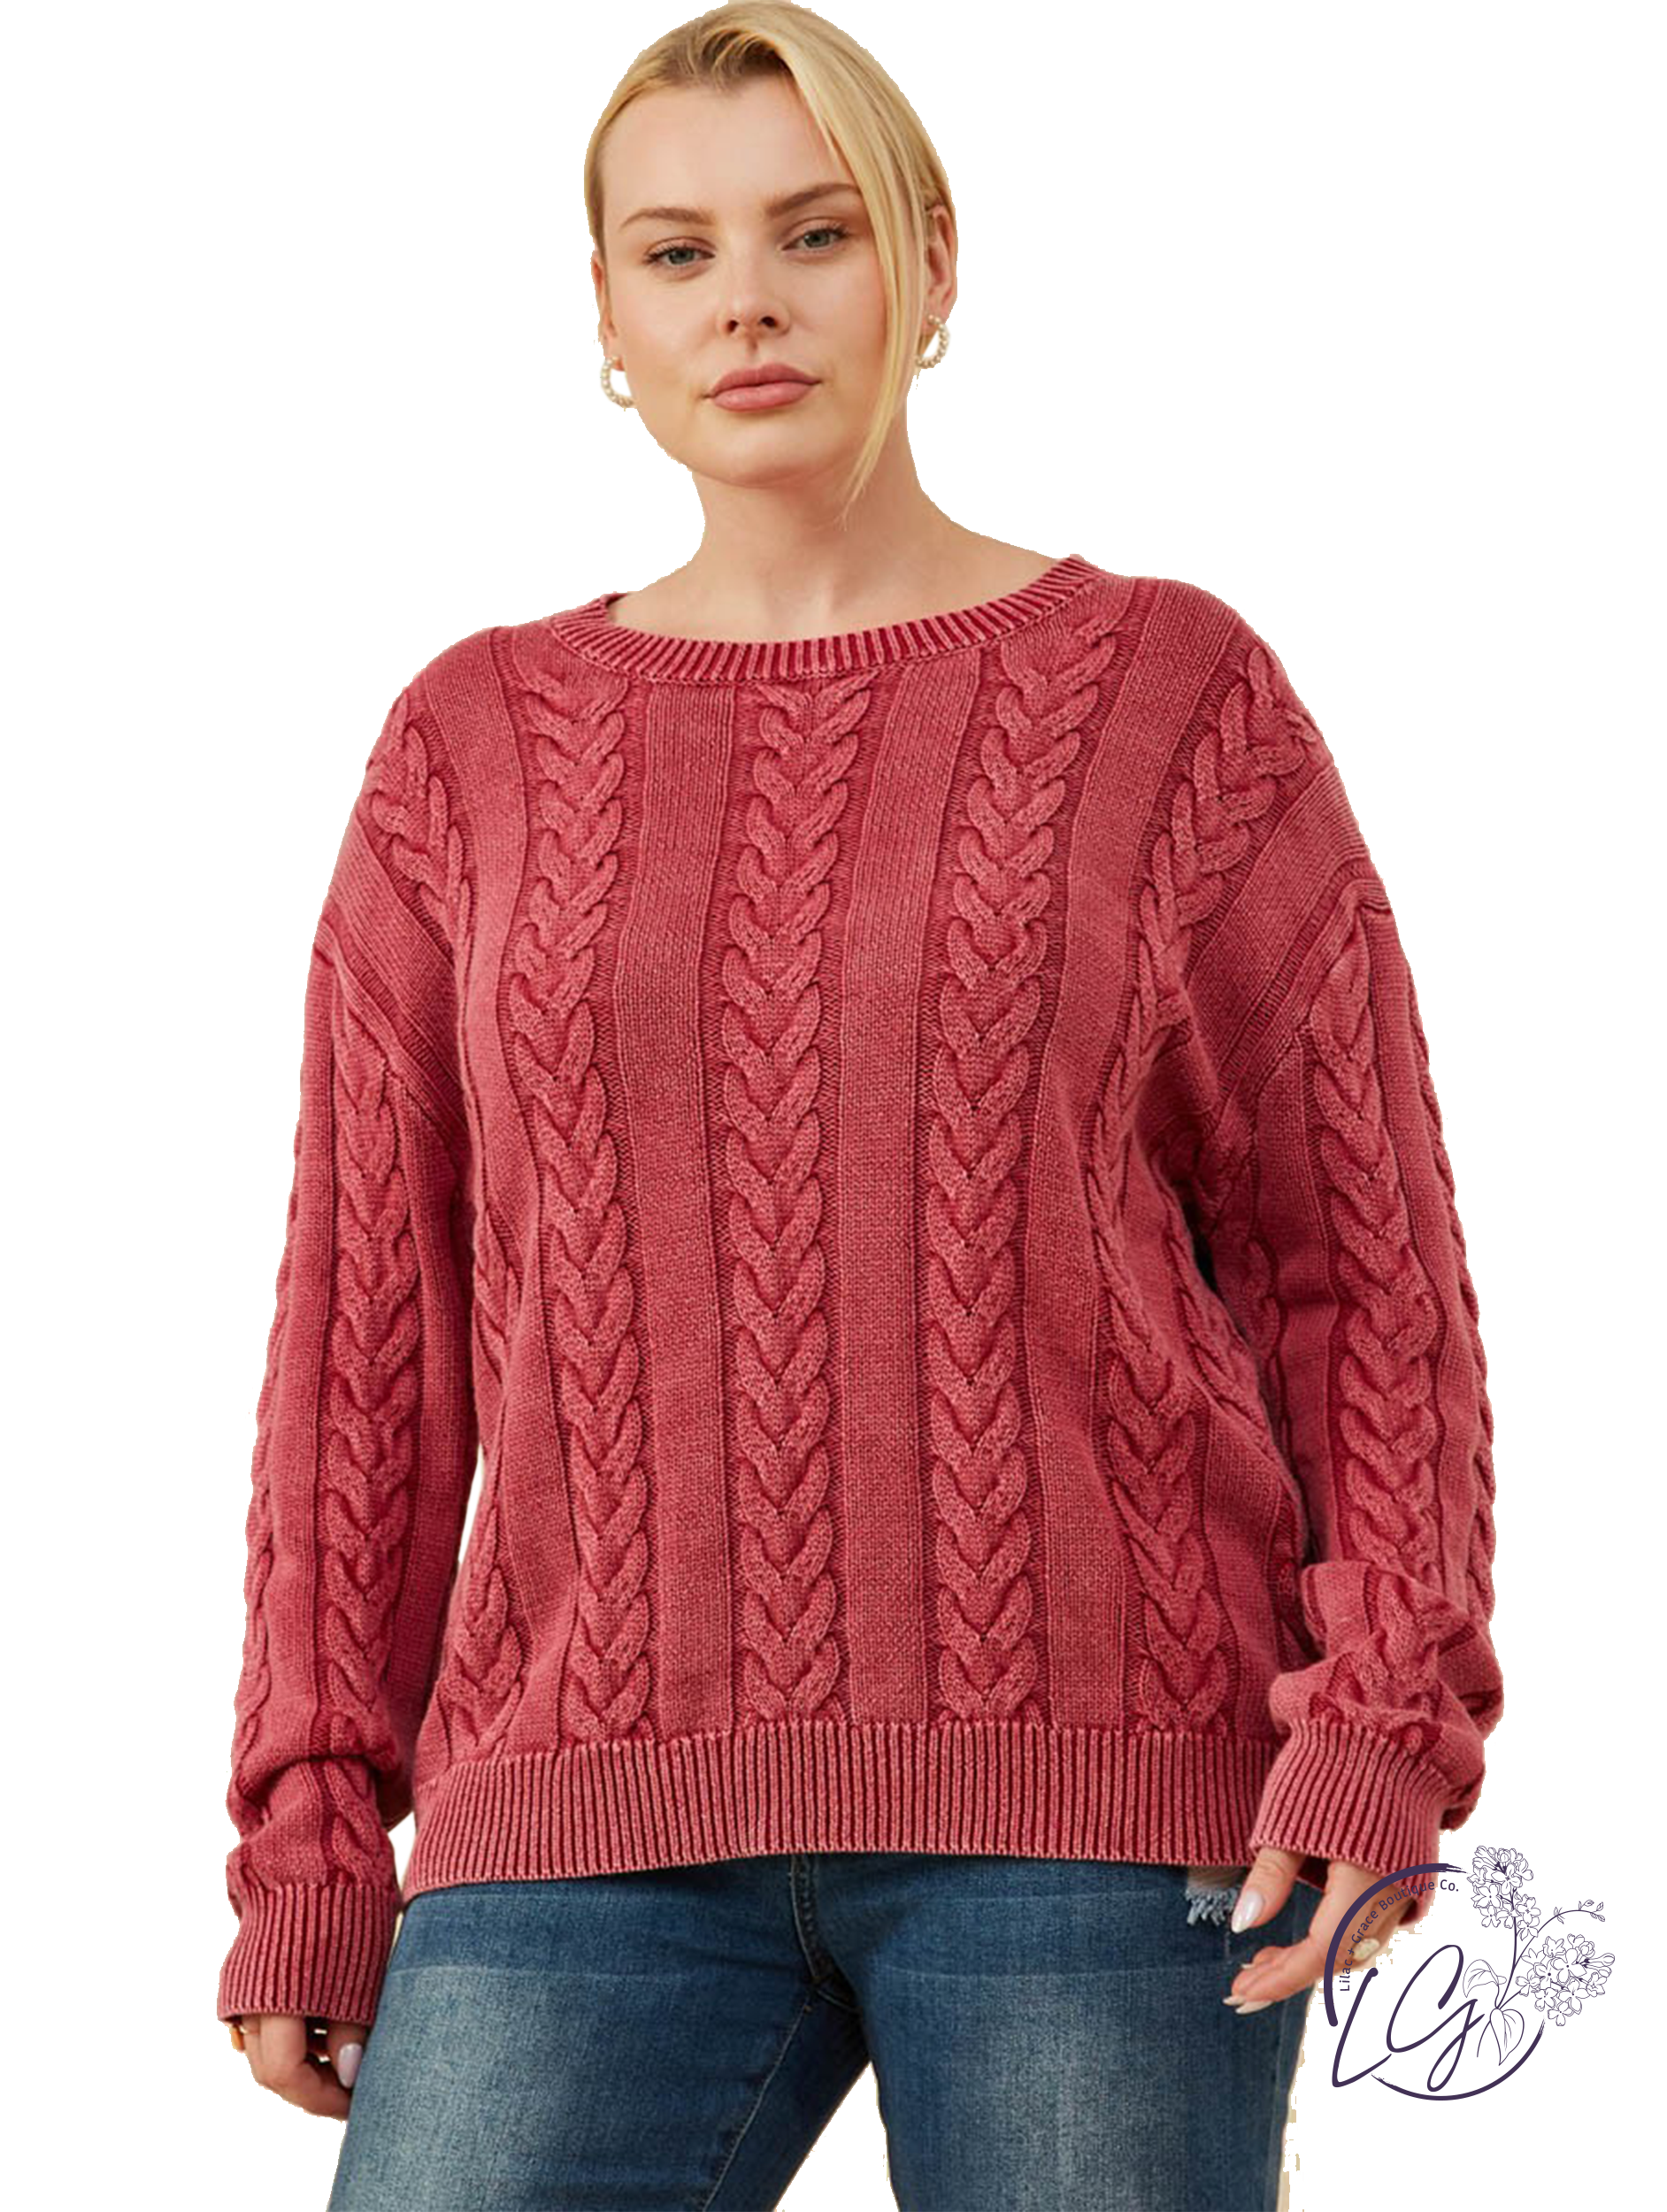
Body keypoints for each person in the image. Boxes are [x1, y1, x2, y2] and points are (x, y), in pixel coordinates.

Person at [218, 6, 1505, 2207]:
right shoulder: (472, 743)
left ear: (931, 257)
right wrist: (316, 1827)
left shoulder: (1168, 695)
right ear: (607, 313)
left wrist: (1384, 1715)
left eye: (814, 233)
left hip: (1099, 1810)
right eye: (679, 251)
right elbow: (369, 1334)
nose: (749, 301)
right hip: (578, 1819)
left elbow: (1358, 1263)